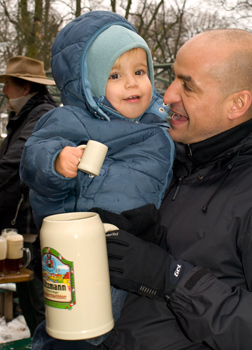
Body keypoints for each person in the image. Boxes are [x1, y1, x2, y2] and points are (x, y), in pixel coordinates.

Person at [99, 28, 252, 349]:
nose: (168, 95)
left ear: (237, 103)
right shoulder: (167, 156)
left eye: (187, 85)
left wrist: (171, 278)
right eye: (172, 78)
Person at [19, 11, 174, 347]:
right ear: (87, 85)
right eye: (114, 75)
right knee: (79, 324)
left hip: (141, 243)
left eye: (140, 71)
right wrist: (57, 162)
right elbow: (33, 158)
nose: (133, 83)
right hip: (87, 244)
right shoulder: (72, 120)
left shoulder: (160, 122)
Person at [0, 55, 57, 336]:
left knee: (40, 302)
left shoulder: (41, 115)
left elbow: (12, 164)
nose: (3, 91)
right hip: (21, 223)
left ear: (24, 88)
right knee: (28, 295)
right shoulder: (24, 115)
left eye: (7, 85)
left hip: (33, 222)